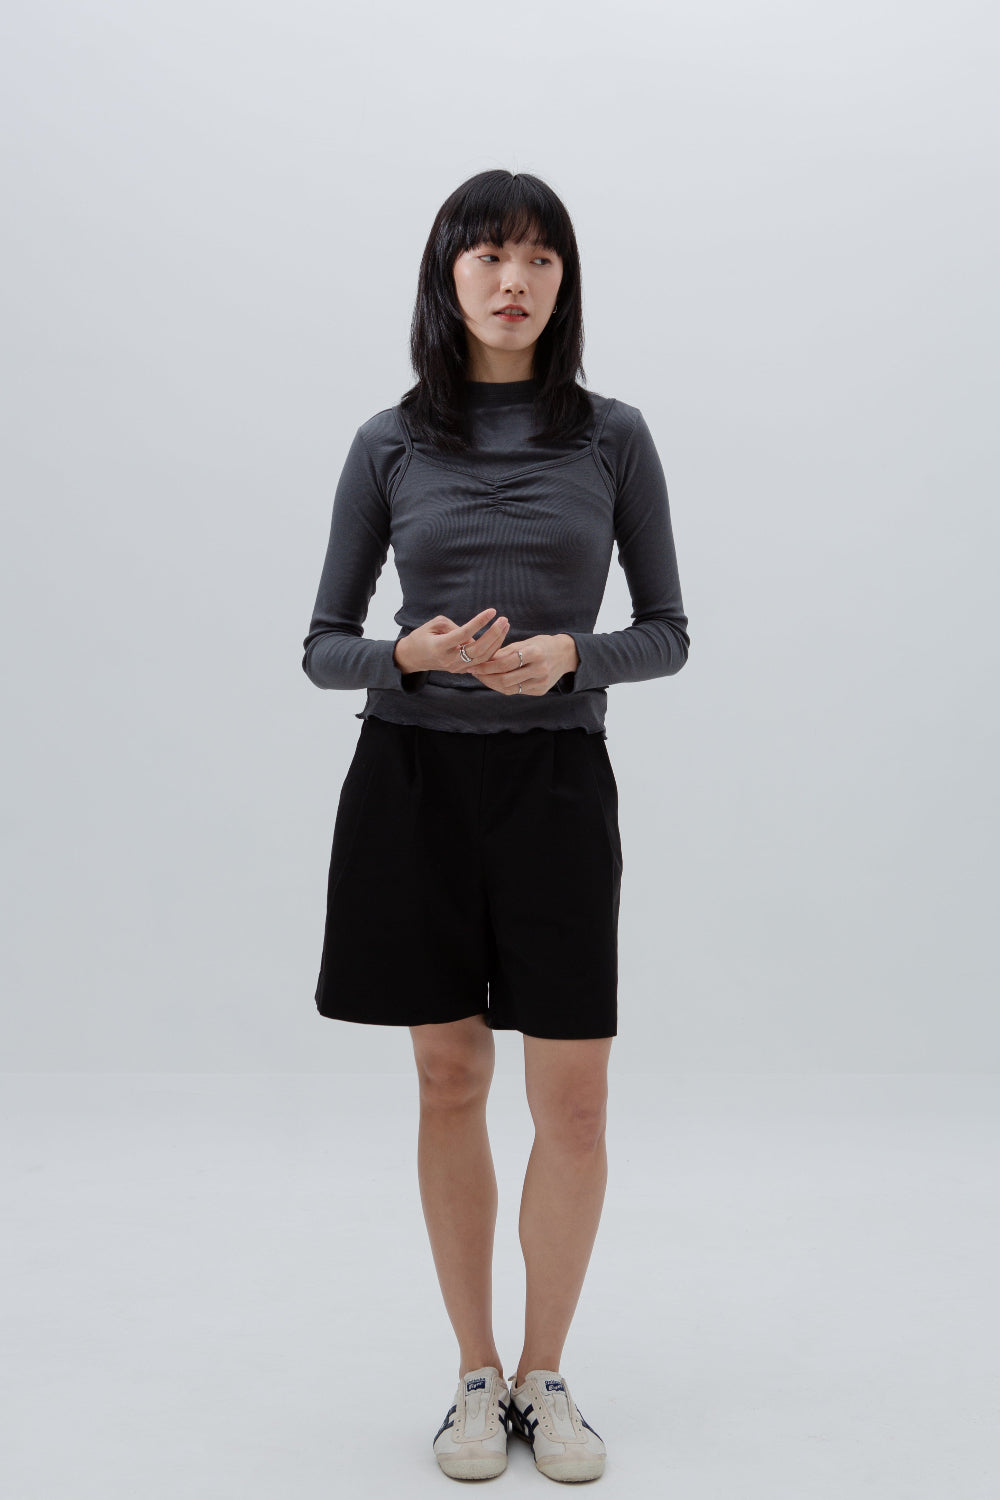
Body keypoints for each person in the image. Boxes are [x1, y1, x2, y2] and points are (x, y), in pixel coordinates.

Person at [301, 169, 690, 1482]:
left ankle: (546, 1377)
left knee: (572, 1103)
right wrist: (405, 657)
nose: (512, 281)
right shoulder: (389, 441)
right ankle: (475, 1376)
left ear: (564, 282)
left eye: (537, 258)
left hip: (557, 788)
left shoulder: (615, 437)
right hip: (413, 785)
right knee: (449, 1079)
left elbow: (668, 633)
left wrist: (574, 656)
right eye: (487, 257)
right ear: (447, 277)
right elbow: (323, 647)